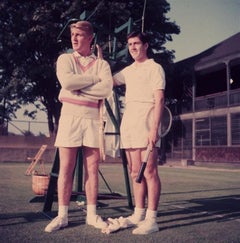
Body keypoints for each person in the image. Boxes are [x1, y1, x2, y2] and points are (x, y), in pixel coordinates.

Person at [44, 21, 113, 232]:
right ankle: (62, 216)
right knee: (66, 168)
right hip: (69, 119)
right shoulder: (64, 59)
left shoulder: (102, 64)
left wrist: (75, 90)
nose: (74, 38)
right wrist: (92, 81)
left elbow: (106, 89)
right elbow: (67, 84)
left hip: (92, 119)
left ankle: (91, 215)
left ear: (90, 38)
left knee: (92, 169)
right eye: (72, 34)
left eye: (79, 35)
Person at [112, 31, 165, 235]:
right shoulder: (127, 71)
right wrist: (98, 61)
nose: (132, 47)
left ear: (146, 45)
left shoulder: (155, 68)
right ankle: (138, 214)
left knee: (149, 172)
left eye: (136, 43)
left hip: (147, 124)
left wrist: (154, 129)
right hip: (129, 125)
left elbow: (159, 100)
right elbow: (107, 80)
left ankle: (152, 219)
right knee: (135, 172)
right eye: (130, 44)